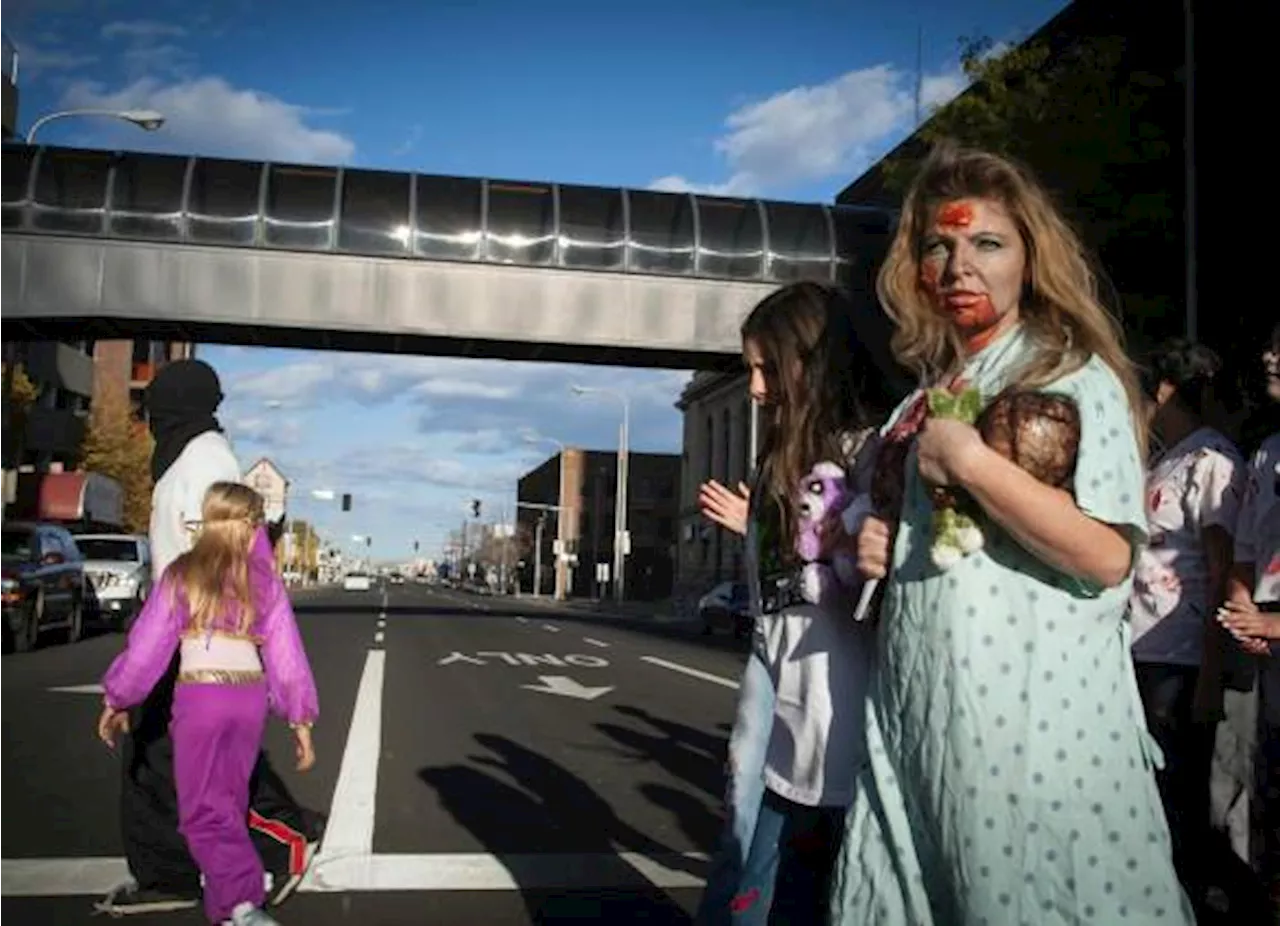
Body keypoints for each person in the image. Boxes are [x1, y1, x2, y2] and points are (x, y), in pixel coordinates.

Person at [829, 144, 1194, 924]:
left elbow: (1107, 557)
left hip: (1031, 749)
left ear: (1029, 258)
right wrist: (881, 548)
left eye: (987, 243)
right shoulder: (921, 404)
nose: (960, 264)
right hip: (920, 736)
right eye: (939, 245)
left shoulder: (1066, 375)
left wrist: (974, 465)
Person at [693, 281, 904, 925]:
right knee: (749, 834)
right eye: (750, 371)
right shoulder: (778, 460)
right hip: (777, 671)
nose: (755, 389)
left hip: (840, 698)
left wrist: (870, 542)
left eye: (766, 368)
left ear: (811, 362)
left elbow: (886, 574)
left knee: (816, 872)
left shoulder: (873, 450)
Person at [98, 360, 324, 917]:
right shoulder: (257, 571)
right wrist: (299, 713)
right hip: (244, 690)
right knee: (202, 785)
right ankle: (185, 876)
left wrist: (118, 696)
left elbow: (150, 642)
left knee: (203, 800)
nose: (151, 418)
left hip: (193, 667)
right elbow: (285, 642)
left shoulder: (205, 463)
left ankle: (245, 890)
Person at [1128, 339, 1244, 907]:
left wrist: (1210, 671)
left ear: (1167, 391)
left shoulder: (1211, 460)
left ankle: (1195, 901)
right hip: (1142, 645)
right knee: (1150, 791)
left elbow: (1223, 567)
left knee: (1181, 795)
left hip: (1181, 654)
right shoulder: (1164, 458)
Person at [1214, 322, 1280, 915]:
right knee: (1263, 790)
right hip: (1260, 634)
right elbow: (1244, 546)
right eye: (1270, 342)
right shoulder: (1266, 449)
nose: (1269, 355)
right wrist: (1243, 607)